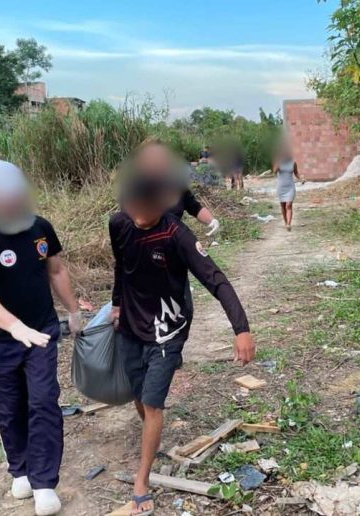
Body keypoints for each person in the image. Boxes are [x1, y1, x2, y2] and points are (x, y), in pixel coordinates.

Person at [109, 141, 255, 515]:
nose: (143, 216)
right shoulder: (118, 224)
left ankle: (142, 479)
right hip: (131, 323)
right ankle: (151, 432)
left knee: (153, 403)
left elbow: (216, 279)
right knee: (139, 396)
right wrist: (116, 305)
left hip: (169, 327)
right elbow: (121, 267)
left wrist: (241, 329)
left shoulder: (176, 234)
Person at [0, 160, 80, 516]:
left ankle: (43, 483)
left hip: (41, 333)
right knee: (9, 409)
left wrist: (72, 309)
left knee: (43, 402)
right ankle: (20, 468)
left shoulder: (40, 228)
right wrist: (13, 326)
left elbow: (55, 268)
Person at [274, 145, 302, 231]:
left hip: (290, 187)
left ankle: (289, 224)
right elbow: (274, 171)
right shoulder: (278, 162)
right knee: (283, 206)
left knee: (288, 205)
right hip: (281, 187)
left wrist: (301, 179)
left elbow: (296, 173)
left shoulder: (293, 162)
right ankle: (286, 222)